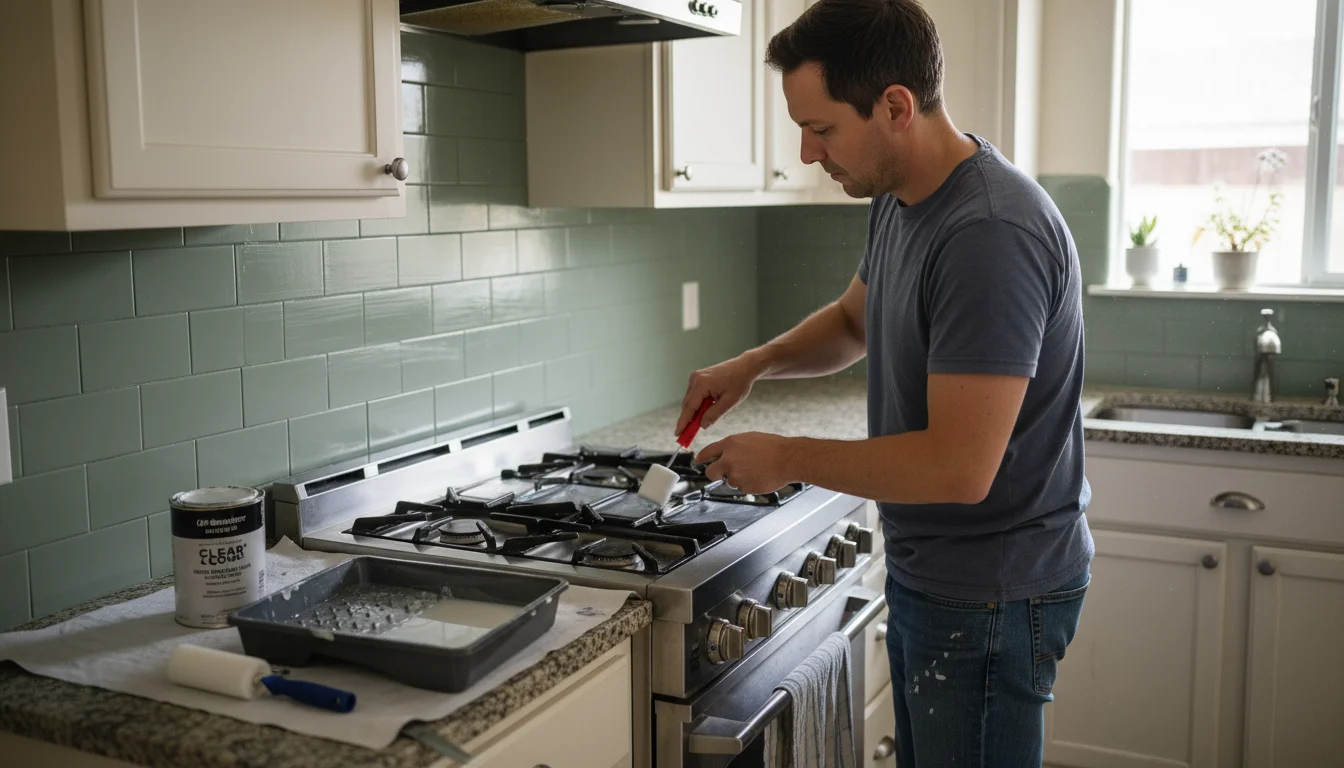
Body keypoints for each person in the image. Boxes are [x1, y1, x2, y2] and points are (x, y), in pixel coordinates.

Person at [674, 1, 1094, 765]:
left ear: (896, 106)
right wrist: (753, 365)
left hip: (992, 593)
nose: (806, 153)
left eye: (823, 128)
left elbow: (960, 468)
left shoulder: (988, 235)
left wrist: (790, 455)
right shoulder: (904, 200)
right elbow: (853, 322)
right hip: (938, 571)